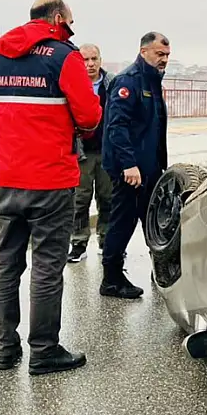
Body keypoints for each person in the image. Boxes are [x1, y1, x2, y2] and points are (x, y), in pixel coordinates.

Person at [0, 0, 102, 375]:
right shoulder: (63, 56)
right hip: (51, 178)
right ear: (56, 19)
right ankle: (44, 351)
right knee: (47, 267)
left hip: (8, 177)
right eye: (69, 23)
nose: (71, 30)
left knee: (6, 264)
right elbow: (89, 115)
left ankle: (5, 349)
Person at [100, 31, 170, 299]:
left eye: (166, 55)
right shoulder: (128, 81)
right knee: (122, 222)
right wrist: (129, 165)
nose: (163, 59)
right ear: (144, 52)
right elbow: (117, 127)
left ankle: (162, 270)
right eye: (159, 54)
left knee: (154, 221)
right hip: (130, 171)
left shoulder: (153, 81)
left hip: (150, 168)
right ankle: (112, 278)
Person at [68, 43, 115, 263]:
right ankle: (78, 243)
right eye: (85, 60)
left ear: (100, 60)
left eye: (94, 59)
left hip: (106, 152)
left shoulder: (111, 85)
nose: (90, 64)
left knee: (107, 198)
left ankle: (106, 241)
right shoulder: (73, 85)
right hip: (82, 154)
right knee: (80, 201)